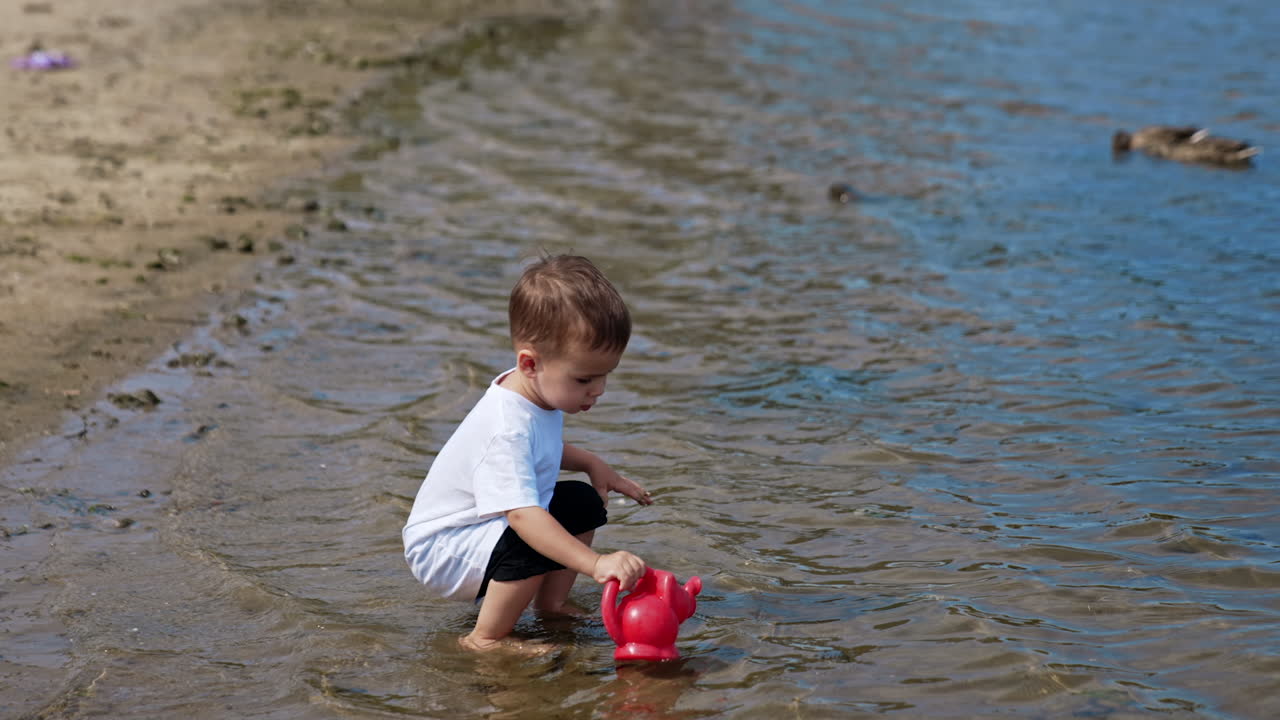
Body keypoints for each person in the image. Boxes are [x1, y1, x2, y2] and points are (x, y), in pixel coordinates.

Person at [403, 253, 652, 652]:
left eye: (606, 375)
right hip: (444, 548)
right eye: (585, 378)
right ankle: (484, 639)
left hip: (478, 532)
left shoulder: (533, 394)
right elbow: (521, 515)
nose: (599, 389)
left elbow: (542, 447)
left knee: (582, 502)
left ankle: (551, 606)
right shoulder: (506, 428)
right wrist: (596, 564)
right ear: (529, 363)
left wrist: (590, 463)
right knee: (533, 532)